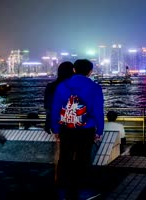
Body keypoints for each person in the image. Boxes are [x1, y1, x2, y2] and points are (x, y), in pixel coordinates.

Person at [51, 59, 104, 199]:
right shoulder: (95, 87)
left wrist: (56, 129)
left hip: (66, 127)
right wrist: (99, 131)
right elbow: (98, 111)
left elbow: (55, 109)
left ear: (74, 69)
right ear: (90, 71)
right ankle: (78, 191)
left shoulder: (62, 86)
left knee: (65, 157)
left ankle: (64, 191)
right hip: (87, 128)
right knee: (83, 158)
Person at [43, 61, 74, 134]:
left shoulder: (51, 86)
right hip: (72, 123)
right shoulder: (74, 87)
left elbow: (48, 107)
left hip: (54, 123)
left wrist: (50, 124)